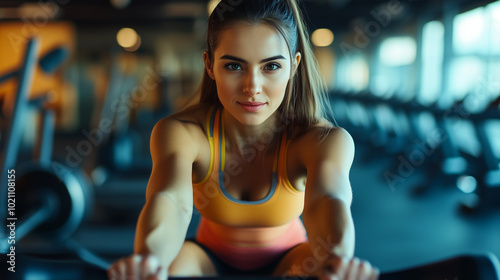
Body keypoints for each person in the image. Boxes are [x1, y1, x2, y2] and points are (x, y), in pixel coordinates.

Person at [107, 0, 379, 279]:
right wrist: (149, 261)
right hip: (206, 257)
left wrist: (338, 259)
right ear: (210, 65)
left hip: (291, 259)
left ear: (294, 66)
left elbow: (326, 200)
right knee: (164, 272)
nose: (252, 87)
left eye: (271, 66)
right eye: (234, 66)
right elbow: (171, 201)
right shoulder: (182, 132)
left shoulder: (322, 140)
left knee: (322, 273)